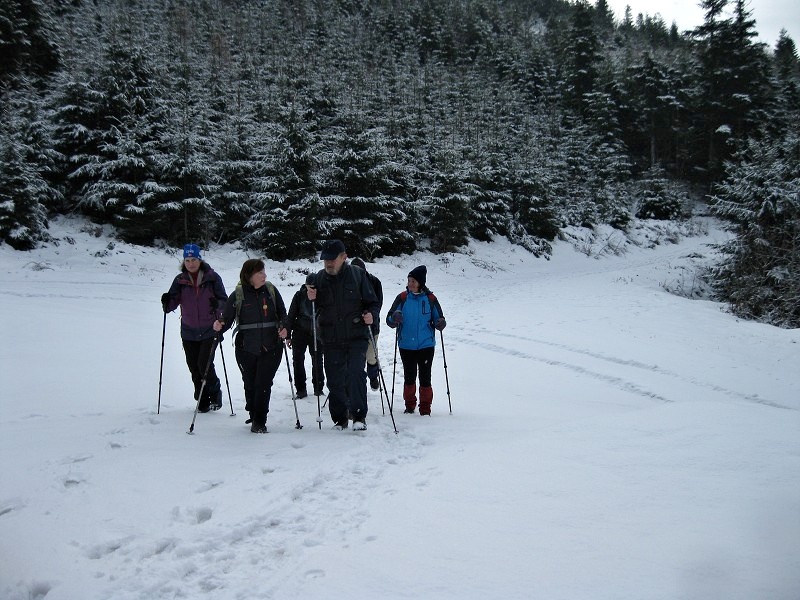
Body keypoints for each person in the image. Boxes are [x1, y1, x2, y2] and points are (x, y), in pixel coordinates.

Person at [306, 240, 380, 431]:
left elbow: (372, 302)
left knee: (356, 373)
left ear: (343, 257)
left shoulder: (358, 275)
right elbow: (309, 307)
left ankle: (358, 416)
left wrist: (372, 314)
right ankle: (340, 419)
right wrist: (310, 298)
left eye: (332, 259)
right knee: (334, 378)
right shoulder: (319, 279)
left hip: (357, 335)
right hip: (331, 337)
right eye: (325, 260)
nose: (328, 263)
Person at [212, 259, 288, 433]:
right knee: (250, 383)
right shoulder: (238, 295)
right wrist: (219, 325)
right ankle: (253, 413)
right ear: (249, 275)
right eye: (259, 273)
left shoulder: (270, 291)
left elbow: (283, 314)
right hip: (246, 348)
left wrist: (285, 328)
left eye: (264, 272)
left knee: (263, 383)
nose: (264, 275)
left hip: (272, 347)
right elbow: (227, 319)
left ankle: (260, 421)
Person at [161, 243, 228, 413]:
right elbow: (172, 304)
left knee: (203, 363)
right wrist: (167, 301)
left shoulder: (212, 278)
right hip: (188, 330)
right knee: (193, 366)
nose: (191, 263)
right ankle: (202, 400)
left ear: (200, 259)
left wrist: (217, 306)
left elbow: (224, 301)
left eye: (194, 259)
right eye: (187, 260)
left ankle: (215, 391)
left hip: (210, 328)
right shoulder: (180, 280)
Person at [386, 265, 446, 416]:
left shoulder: (431, 298)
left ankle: (425, 408)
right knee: (409, 376)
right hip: (406, 345)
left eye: (413, 281)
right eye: (409, 280)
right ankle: (410, 405)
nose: (410, 283)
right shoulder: (402, 298)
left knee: (425, 377)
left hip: (426, 344)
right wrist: (395, 318)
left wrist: (440, 323)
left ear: (421, 283)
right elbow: (389, 319)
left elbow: (439, 318)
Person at [285, 274, 325, 399]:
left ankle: (319, 388)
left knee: (317, 359)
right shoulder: (299, 295)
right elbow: (291, 315)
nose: (312, 288)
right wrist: (288, 335)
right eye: (310, 286)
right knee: (298, 360)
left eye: (314, 286)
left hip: (317, 332)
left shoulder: (322, 295)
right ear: (306, 285)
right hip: (300, 331)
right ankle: (300, 389)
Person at [350, 257, 383, 391]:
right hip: (353, 327)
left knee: (371, 356)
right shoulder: (347, 282)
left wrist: (370, 314)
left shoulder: (374, 282)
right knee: (355, 359)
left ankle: (373, 376)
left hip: (371, 326)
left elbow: (378, 303)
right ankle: (355, 384)